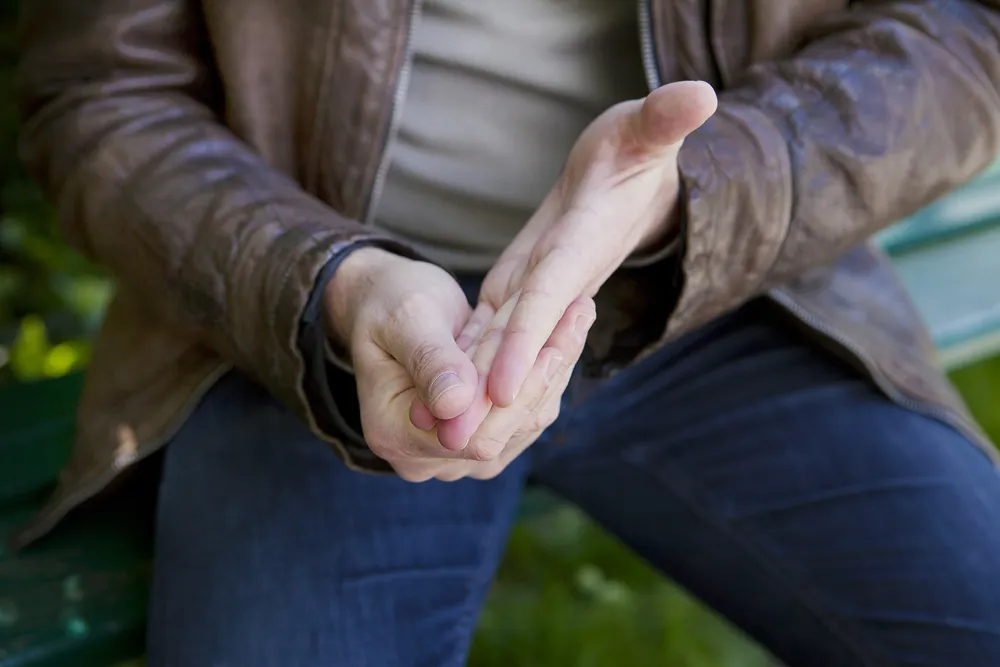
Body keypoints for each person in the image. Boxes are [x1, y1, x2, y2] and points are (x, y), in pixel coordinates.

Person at [15, 0, 1000, 664]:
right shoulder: (323, 313)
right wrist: (327, 283)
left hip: (715, 289)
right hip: (321, 344)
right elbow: (97, 95)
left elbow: (963, 32)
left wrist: (688, 197)